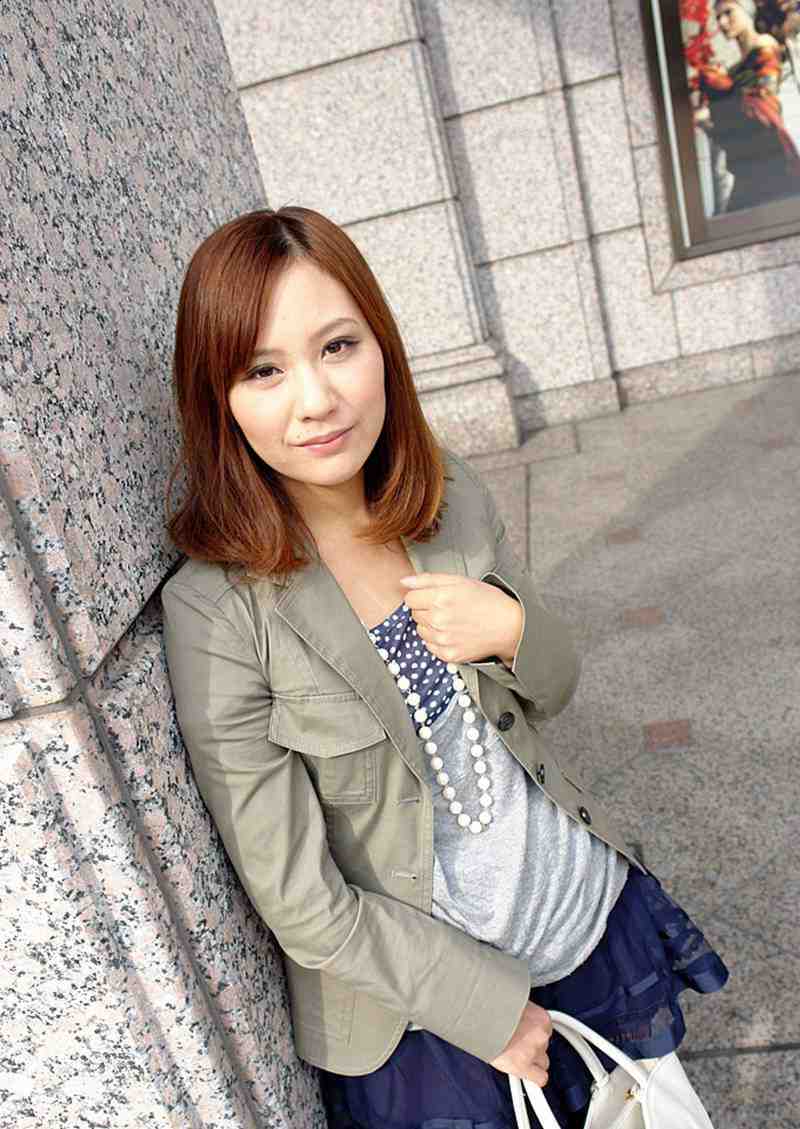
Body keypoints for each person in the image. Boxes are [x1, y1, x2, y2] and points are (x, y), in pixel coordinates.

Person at [160, 206, 729, 1129]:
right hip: (434, 1019)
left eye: (337, 346)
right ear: (217, 397)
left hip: (585, 918)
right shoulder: (217, 612)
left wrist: (511, 629)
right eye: (264, 370)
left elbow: (553, 687)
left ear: (381, 347)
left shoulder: (446, 490)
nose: (315, 399)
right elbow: (301, 900)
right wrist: (485, 1009)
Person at [693, 0, 800, 213]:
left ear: (746, 10)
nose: (722, 22)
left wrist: (719, 94)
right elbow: (729, 123)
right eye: (718, 17)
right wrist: (708, 120)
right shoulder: (734, 69)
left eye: (728, 13)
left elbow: (763, 100)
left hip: (770, 154)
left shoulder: (765, 46)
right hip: (747, 160)